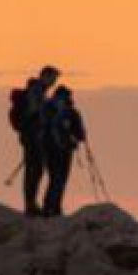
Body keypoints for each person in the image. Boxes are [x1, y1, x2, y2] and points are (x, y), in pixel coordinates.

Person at [16, 65, 61, 216]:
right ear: (45, 76)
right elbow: (34, 113)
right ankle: (30, 205)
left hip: (33, 135)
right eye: (53, 78)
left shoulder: (39, 92)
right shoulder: (36, 92)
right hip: (33, 136)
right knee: (34, 170)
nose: (54, 83)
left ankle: (31, 204)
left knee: (36, 169)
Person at [42, 85, 87, 217]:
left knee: (54, 178)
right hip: (64, 150)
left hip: (49, 149)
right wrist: (75, 138)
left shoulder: (48, 109)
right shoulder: (71, 112)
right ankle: (54, 208)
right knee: (60, 179)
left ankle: (49, 207)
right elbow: (81, 134)